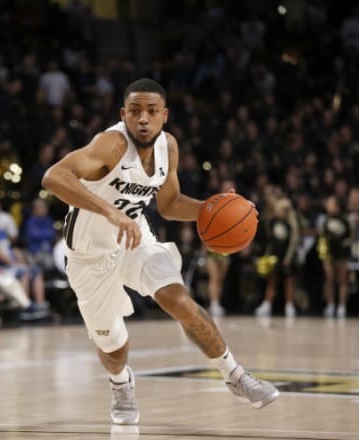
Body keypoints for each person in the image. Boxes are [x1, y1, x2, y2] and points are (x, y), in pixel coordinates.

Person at [42, 78, 278, 425]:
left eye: (151, 111)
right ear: (123, 114)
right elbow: (53, 177)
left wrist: (216, 209)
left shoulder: (169, 147)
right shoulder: (110, 145)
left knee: (179, 300)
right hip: (90, 256)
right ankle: (121, 384)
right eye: (135, 111)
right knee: (112, 347)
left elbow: (168, 205)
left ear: (164, 115)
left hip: (136, 241)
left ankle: (236, 375)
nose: (143, 119)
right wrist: (110, 211)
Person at [318, 195, 352, 319]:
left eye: (331, 203)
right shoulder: (325, 220)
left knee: (342, 280)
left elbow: (351, 237)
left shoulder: (346, 219)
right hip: (329, 254)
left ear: (337, 206)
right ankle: (330, 305)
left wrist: (342, 244)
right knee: (329, 279)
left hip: (342, 254)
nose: (328, 206)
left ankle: (342, 306)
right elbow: (322, 236)